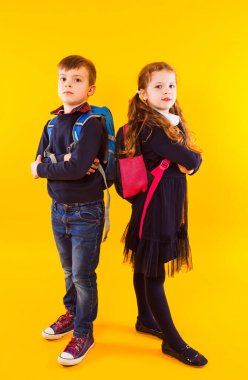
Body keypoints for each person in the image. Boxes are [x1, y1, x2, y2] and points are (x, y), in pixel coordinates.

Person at [118, 62, 208, 366]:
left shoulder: (168, 121)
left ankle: (144, 318)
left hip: (155, 203)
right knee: (153, 274)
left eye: (171, 85)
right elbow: (189, 159)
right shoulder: (153, 127)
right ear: (143, 94)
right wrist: (192, 161)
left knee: (144, 266)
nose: (167, 91)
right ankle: (174, 342)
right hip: (155, 208)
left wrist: (190, 161)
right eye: (158, 86)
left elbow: (186, 160)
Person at [30, 55, 107, 366]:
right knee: (67, 271)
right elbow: (36, 165)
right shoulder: (51, 122)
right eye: (63, 78)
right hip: (57, 209)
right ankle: (72, 315)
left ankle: (84, 332)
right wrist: (59, 165)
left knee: (83, 275)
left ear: (90, 89)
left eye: (77, 79)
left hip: (86, 211)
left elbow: (73, 169)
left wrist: (51, 166)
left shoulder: (92, 123)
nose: (68, 85)